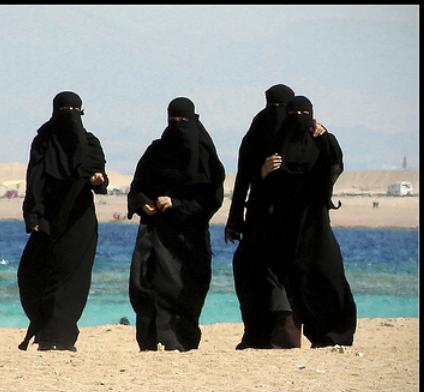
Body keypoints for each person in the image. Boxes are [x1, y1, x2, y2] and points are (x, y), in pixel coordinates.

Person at [225, 84, 326, 349]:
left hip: (293, 221)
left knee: (285, 276)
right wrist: (235, 218)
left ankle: (286, 336)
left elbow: (319, 170)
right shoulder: (259, 127)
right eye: (272, 107)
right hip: (259, 217)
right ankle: (256, 335)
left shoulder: (306, 133)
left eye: (281, 108)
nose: (276, 113)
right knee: (249, 272)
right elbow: (243, 176)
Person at [127, 97, 225, 352]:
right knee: (145, 284)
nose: (178, 126)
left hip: (189, 236)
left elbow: (211, 197)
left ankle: (179, 340)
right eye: (173, 121)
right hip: (154, 230)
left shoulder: (204, 156)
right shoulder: (156, 151)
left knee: (184, 289)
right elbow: (138, 186)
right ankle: (149, 341)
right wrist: (142, 203)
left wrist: (178, 203)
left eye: (183, 121)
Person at [261, 95, 357, 348]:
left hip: (316, 223)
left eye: (304, 116)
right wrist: (264, 171)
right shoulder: (277, 144)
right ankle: (287, 338)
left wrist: (324, 136)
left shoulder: (323, 143)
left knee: (327, 275)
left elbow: (335, 164)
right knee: (287, 281)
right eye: (293, 116)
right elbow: (263, 187)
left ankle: (335, 334)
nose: (298, 121)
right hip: (283, 226)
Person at [17, 91, 109, 352]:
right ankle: (43, 328)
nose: (70, 117)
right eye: (64, 110)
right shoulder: (43, 142)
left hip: (78, 220)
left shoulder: (90, 142)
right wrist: (32, 214)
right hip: (48, 219)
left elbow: (98, 171)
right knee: (33, 275)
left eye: (75, 111)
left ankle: (59, 337)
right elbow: (34, 179)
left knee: (72, 279)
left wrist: (98, 180)